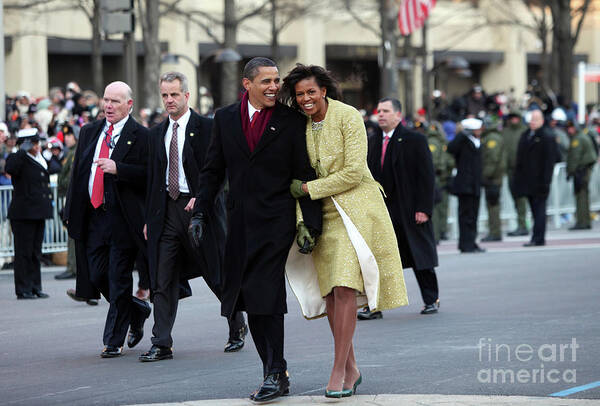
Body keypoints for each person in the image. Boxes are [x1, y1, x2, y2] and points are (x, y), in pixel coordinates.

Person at [188, 58, 322, 403]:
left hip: (277, 222)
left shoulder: (291, 121)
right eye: (266, 81)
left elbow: (304, 172)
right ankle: (274, 369)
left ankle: (275, 372)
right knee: (248, 296)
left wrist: (312, 225)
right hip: (239, 224)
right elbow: (212, 170)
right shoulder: (226, 118)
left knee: (265, 292)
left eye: (277, 80)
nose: (274, 87)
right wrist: (200, 212)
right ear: (247, 84)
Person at [281, 65, 408, 398]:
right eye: (299, 94)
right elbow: (295, 174)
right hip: (320, 214)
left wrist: (308, 189)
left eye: (311, 91)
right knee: (330, 294)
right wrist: (300, 218)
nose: (306, 99)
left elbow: (353, 173)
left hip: (355, 209)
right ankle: (351, 367)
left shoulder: (348, 115)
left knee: (345, 286)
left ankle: (338, 370)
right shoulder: (299, 125)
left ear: (324, 90)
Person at [140, 71, 247, 362]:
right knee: (162, 278)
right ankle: (161, 342)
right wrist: (150, 220)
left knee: (216, 273)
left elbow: (221, 171)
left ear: (187, 96)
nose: (169, 100)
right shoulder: (156, 134)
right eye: (164, 95)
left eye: (174, 94)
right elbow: (153, 180)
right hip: (167, 212)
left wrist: (203, 197)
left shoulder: (208, 128)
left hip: (201, 210)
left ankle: (236, 324)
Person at [64, 81, 151, 357]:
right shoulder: (90, 132)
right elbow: (79, 174)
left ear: (129, 105)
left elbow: (149, 175)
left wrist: (119, 168)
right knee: (97, 274)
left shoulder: (141, 135)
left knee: (118, 278)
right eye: (106, 100)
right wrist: (70, 212)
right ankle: (136, 310)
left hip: (123, 220)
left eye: (115, 101)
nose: (108, 106)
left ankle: (113, 341)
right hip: (94, 218)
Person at [359, 97, 438, 319]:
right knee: (378, 259)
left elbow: (426, 177)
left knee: (419, 257)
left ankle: (431, 299)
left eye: (385, 111)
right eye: (379, 111)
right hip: (383, 211)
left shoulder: (415, 139)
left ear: (398, 115)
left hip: (410, 210)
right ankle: (374, 306)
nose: (380, 115)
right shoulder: (372, 141)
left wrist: (424, 208)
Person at [5, 128, 53, 299]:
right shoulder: (18, 158)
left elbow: (54, 168)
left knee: (35, 252)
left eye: (37, 142)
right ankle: (23, 288)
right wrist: (22, 150)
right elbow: (10, 168)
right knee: (23, 252)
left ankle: (35, 286)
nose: (37, 146)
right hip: (23, 214)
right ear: (25, 144)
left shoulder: (39, 158)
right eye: (33, 143)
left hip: (38, 213)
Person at [513, 109, 557, 247]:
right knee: (534, 210)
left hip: (540, 181)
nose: (532, 122)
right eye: (531, 119)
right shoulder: (526, 135)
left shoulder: (547, 136)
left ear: (542, 121)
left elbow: (549, 162)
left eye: (535, 119)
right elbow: (520, 159)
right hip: (528, 181)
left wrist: (546, 181)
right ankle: (535, 236)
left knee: (539, 211)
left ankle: (538, 238)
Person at [448, 118, 485, 253]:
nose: (480, 131)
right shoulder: (463, 141)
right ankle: (465, 243)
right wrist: (462, 134)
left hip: (475, 184)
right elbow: (451, 149)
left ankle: (472, 241)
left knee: (474, 215)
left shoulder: (477, 142)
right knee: (465, 215)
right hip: (464, 184)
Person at [565, 120, 597, 230]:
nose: (569, 130)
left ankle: (582, 221)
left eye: (571, 128)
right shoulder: (581, 136)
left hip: (581, 170)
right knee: (583, 195)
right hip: (584, 169)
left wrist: (570, 171)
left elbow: (575, 157)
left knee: (581, 196)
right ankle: (585, 220)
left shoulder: (577, 139)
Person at [502, 110, 528, 236]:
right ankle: (521, 224)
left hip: (522, 170)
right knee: (515, 199)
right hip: (510, 170)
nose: (513, 120)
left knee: (522, 198)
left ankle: (523, 224)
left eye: (515, 118)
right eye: (511, 118)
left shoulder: (524, 131)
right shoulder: (505, 132)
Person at [480, 117, 505, 242]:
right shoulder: (491, 136)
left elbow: (492, 159)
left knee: (493, 206)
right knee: (492, 205)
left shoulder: (492, 138)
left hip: (493, 178)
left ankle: (495, 232)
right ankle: (494, 231)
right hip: (493, 177)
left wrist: (485, 175)